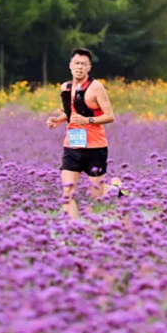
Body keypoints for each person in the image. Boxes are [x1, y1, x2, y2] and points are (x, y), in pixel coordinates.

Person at [46, 48, 119, 221]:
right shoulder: (65, 87)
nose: (79, 67)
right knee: (67, 191)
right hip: (72, 146)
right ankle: (72, 232)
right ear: (70, 66)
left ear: (89, 67)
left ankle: (117, 190)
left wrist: (87, 121)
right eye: (76, 63)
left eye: (83, 64)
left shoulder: (96, 88)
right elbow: (71, 112)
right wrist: (58, 120)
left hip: (95, 147)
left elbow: (110, 116)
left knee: (97, 195)